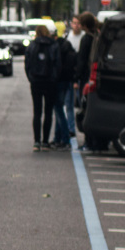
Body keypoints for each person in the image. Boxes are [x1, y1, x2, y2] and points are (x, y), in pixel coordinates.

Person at [26, 24, 61, 152]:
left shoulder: (32, 45)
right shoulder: (54, 45)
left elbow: (27, 64)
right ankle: (45, 141)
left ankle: (36, 141)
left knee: (37, 112)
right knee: (48, 112)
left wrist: (31, 78)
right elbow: (58, 64)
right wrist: (54, 78)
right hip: (50, 82)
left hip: (36, 81)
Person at [77, 12, 101, 150]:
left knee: (85, 110)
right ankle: (97, 141)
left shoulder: (86, 39)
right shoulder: (98, 36)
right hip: (97, 77)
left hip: (87, 78)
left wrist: (76, 77)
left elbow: (82, 59)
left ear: (85, 25)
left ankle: (89, 141)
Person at [51, 30, 77, 150]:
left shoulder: (57, 48)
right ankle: (58, 138)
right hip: (67, 81)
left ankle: (65, 139)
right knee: (59, 108)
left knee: (59, 110)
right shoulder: (67, 46)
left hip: (59, 81)